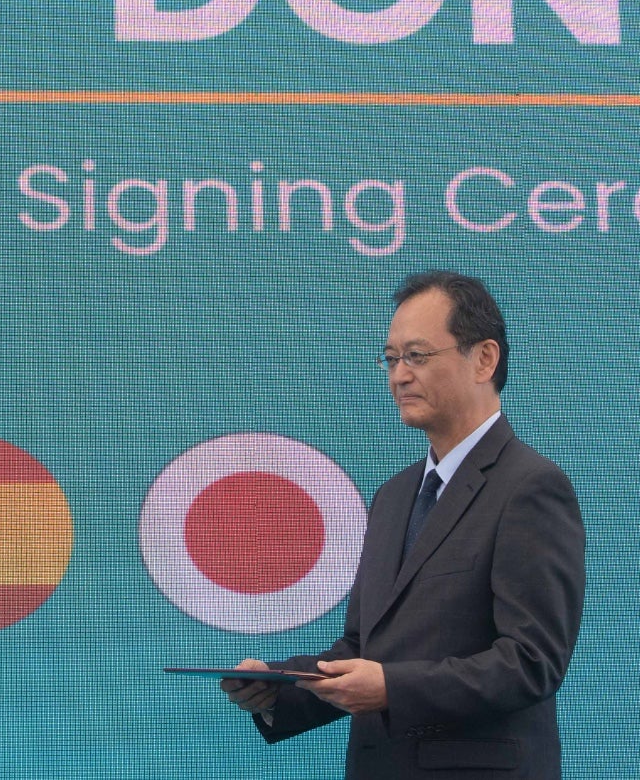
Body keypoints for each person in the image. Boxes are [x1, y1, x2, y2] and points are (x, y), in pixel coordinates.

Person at [221, 270, 585, 778]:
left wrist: (392, 688)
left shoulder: (530, 487)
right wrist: (280, 687)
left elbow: (530, 662)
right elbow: (362, 650)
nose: (398, 376)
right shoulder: (394, 496)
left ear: (484, 359)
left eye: (417, 355)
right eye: (391, 359)